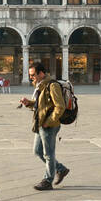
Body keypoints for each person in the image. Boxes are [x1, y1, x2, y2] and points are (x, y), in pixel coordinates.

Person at [19, 61, 69, 192]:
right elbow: (40, 106)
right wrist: (28, 103)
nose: (31, 77)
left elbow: (60, 106)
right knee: (37, 151)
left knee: (48, 154)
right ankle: (61, 169)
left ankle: (48, 180)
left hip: (49, 125)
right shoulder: (40, 85)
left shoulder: (52, 86)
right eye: (30, 75)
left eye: (33, 74)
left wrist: (49, 121)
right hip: (40, 124)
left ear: (41, 73)